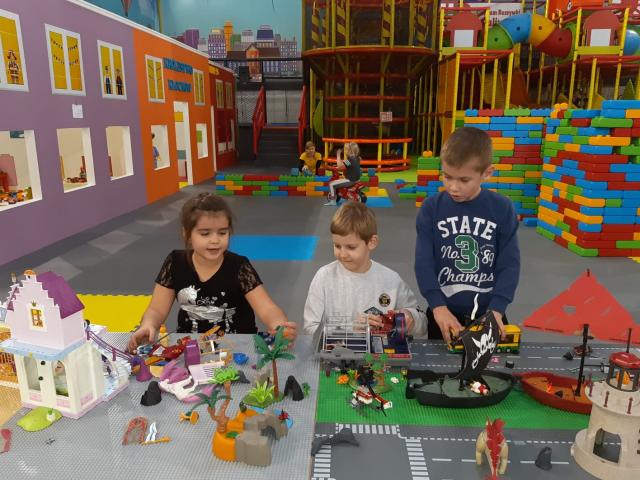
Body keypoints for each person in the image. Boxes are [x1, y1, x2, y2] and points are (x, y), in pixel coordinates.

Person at [128, 193, 297, 352]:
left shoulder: (239, 266)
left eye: (222, 233)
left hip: (237, 347)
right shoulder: (175, 262)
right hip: (190, 346)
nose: (215, 240)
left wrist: (280, 326)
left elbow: (267, 308)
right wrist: (149, 324)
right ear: (187, 234)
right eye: (205, 233)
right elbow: (157, 309)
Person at [415, 126, 520, 344]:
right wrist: (437, 306)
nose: (453, 187)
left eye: (464, 180)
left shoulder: (502, 208)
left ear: (487, 173)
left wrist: (497, 309)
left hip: (490, 312)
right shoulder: (431, 208)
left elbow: (509, 264)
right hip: (443, 313)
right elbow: (424, 261)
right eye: (447, 177)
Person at [304, 202, 427, 337]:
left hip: (382, 351)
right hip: (336, 351)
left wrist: (410, 317)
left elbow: (422, 324)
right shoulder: (324, 277)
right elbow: (311, 329)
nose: (342, 254)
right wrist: (351, 329)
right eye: (337, 246)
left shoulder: (391, 280)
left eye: (351, 247)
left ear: (372, 242)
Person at [325, 142, 361, 206]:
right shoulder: (357, 158)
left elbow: (339, 166)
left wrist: (338, 155)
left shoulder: (349, 160)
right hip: (356, 180)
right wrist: (344, 162)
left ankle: (333, 201)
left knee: (331, 184)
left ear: (349, 151)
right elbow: (350, 166)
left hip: (350, 180)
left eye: (346, 150)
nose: (345, 151)